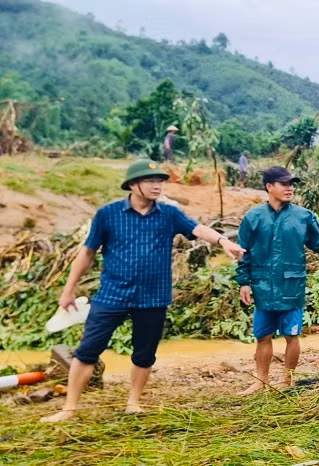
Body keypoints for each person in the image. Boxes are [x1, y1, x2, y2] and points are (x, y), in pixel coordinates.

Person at [40, 160, 245, 423]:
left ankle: (133, 402)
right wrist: (68, 290)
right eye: (150, 180)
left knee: (144, 353)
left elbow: (196, 229)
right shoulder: (108, 214)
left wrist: (223, 240)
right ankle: (69, 409)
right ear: (133, 185)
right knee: (87, 350)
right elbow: (88, 252)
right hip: (112, 295)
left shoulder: (169, 214)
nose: (157, 185)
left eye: (160, 180)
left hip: (153, 297)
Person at [236, 166, 319, 395]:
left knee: (291, 335)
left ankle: (287, 379)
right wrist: (244, 282)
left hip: (291, 286)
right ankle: (260, 381)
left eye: (292, 184)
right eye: (284, 184)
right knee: (262, 335)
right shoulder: (253, 217)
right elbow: (244, 252)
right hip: (262, 286)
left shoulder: (303, 216)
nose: (290, 188)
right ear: (269, 187)